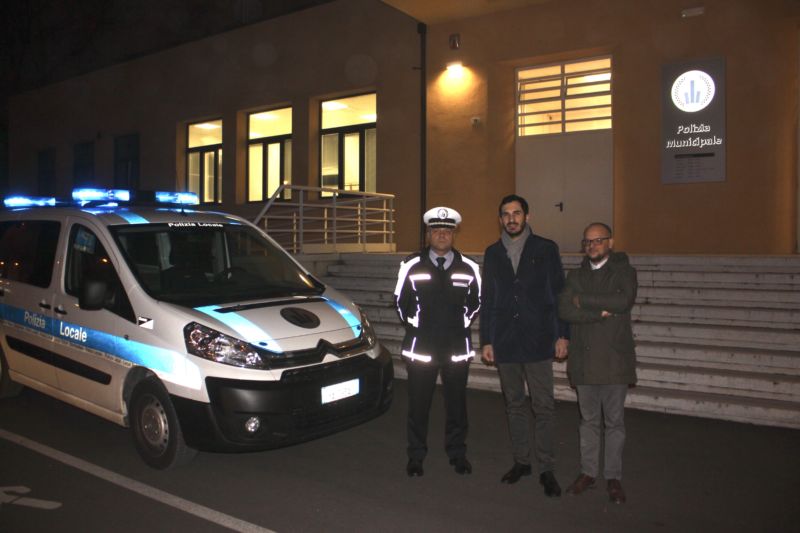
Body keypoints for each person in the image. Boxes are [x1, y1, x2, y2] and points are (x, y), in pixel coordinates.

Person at [480, 194, 568, 498]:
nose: (511, 219)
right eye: (506, 214)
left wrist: (563, 334)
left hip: (539, 340)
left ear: (527, 217)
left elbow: (559, 293)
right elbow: (488, 299)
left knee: (543, 407)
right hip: (505, 341)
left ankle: (546, 468)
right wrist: (487, 339)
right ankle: (522, 462)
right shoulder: (493, 253)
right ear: (500, 219)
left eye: (516, 213)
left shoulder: (546, 248)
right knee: (514, 405)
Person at [394, 206, 482, 477]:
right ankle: (416, 455)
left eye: (447, 230)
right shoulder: (411, 265)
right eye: (436, 230)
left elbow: (477, 302)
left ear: (454, 234)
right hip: (422, 348)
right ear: (428, 234)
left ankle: (457, 453)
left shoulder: (469, 267)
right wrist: (419, 325)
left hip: (456, 348)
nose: (442, 235)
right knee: (419, 406)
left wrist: (459, 324)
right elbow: (400, 302)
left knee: (457, 405)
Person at [557, 222, 637, 504]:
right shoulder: (576, 274)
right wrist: (596, 312)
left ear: (610, 242)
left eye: (598, 240)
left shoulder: (624, 271)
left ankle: (613, 477)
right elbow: (564, 309)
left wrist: (581, 300)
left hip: (615, 359)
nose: (592, 246)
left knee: (614, 422)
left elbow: (622, 300)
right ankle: (588, 473)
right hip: (584, 359)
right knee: (588, 421)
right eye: (588, 241)